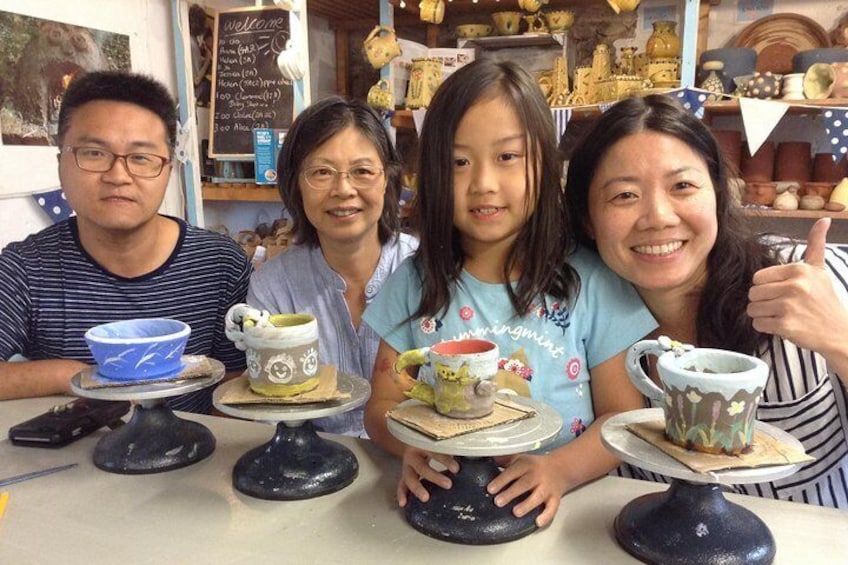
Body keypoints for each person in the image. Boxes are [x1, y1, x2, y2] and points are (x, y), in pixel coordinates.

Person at [362, 59, 656, 527]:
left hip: (569, 515)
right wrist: (409, 447)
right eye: (459, 162)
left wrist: (559, 471)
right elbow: (381, 407)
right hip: (445, 506)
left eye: (507, 157)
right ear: (433, 172)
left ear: (544, 162)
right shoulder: (414, 283)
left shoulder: (593, 281)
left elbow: (623, 418)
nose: (483, 184)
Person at [564, 94, 848, 508]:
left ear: (717, 193)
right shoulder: (576, 323)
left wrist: (839, 339)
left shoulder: (810, 277)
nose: (658, 216)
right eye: (624, 195)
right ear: (588, 219)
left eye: (682, 186)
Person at [0, 71, 251, 413]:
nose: (118, 176)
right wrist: (72, 375)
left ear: (168, 170)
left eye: (141, 158)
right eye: (93, 153)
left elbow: (238, 381)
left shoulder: (220, 264)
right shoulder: (25, 268)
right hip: (78, 456)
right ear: (61, 163)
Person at [247, 96, 417, 436]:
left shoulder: (426, 271)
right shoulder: (273, 288)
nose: (343, 189)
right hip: (312, 465)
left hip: (417, 467)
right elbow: (270, 410)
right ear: (295, 183)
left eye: (362, 172)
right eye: (321, 172)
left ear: (388, 180)